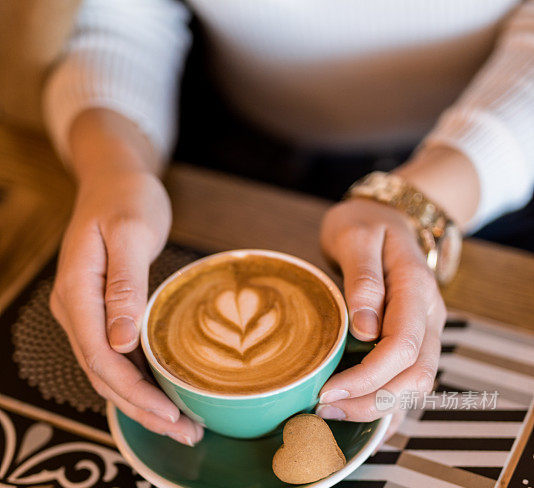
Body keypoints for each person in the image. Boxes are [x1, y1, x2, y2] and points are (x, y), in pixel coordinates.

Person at [44, 0, 534, 447]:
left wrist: (424, 199)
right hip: (224, 147)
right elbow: (120, 18)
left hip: (481, 165)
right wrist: (113, 169)